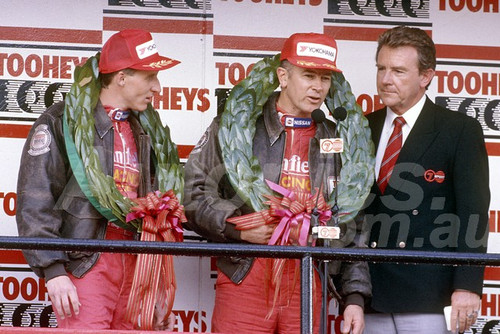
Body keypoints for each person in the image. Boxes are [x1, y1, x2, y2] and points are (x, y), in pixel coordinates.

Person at [183, 32, 371, 334]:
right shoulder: (235, 126)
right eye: (308, 75)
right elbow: (193, 195)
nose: (317, 87)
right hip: (246, 274)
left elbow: (353, 220)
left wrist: (354, 297)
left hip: (309, 279)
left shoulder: (337, 139)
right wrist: (238, 229)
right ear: (283, 76)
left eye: (324, 78)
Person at [16, 29, 180, 330]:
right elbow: (35, 199)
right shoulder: (59, 121)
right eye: (149, 77)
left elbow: (157, 210)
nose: (157, 87)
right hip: (86, 261)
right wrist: (53, 270)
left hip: (138, 262)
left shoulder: (146, 129)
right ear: (121, 77)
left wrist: (155, 283)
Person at [363, 26, 490, 334]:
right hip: (371, 293)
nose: (385, 79)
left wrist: (468, 285)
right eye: (381, 68)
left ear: (426, 76)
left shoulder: (459, 130)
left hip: (429, 294)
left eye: (398, 70)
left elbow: (473, 213)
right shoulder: (363, 126)